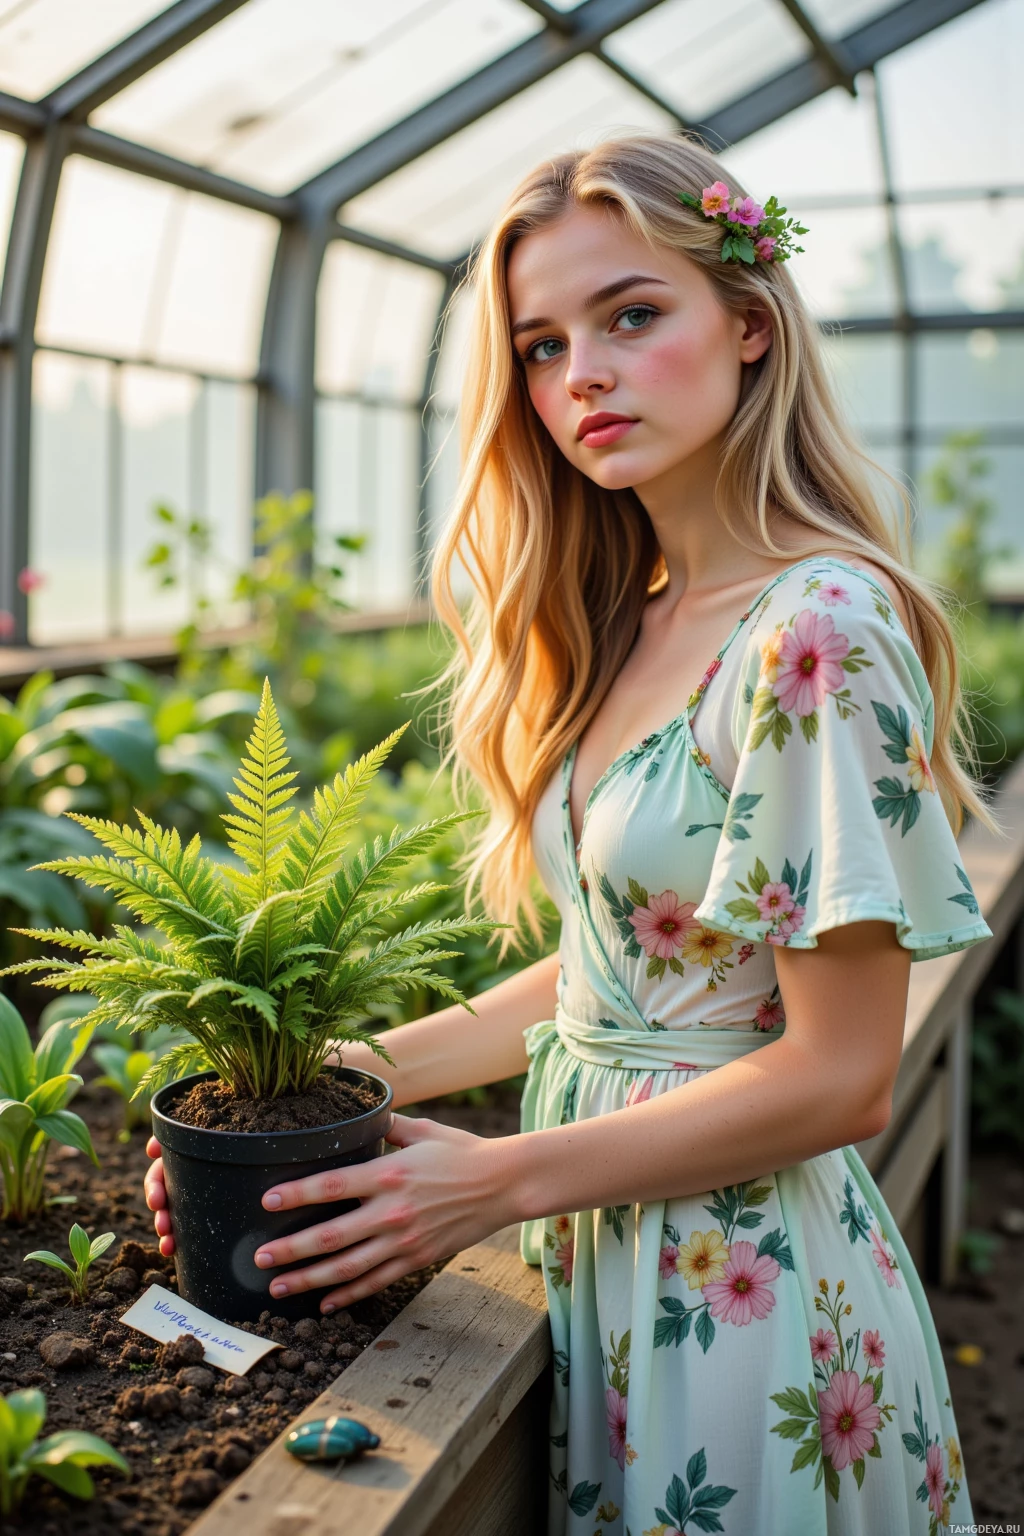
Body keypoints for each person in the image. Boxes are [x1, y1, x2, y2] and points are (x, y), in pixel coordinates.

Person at [145, 133, 994, 1534]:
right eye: (540, 345)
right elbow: (618, 984)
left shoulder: (819, 630)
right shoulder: (637, 618)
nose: (581, 374)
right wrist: (316, 1093)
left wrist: (483, 1182)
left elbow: (842, 1077)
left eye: (632, 315)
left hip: (749, 1303)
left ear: (751, 325)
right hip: (613, 1261)